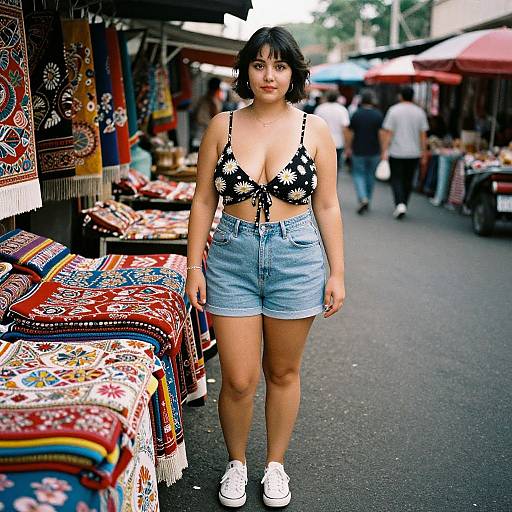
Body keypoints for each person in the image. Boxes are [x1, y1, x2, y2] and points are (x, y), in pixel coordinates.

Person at [185, 26, 345, 509]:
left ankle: (275, 465)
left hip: (296, 256)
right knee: (236, 379)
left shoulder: (314, 130)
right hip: (231, 255)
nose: (269, 75)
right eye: (259, 65)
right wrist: (195, 265)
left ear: (293, 71)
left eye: (279, 65)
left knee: (282, 371)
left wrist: (337, 271)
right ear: (246, 72)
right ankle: (237, 464)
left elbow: (329, 206)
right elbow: (203, 199)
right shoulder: (223, 125)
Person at [381, 85, 429, 219]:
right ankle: (404, 203)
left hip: (396, 151)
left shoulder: (394, 110)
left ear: (400, 96)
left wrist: (384, 150)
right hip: (414, 152)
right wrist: (424, 152)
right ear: (413, 97)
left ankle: (399, 203)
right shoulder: (420, 112)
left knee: (396, 178)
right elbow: (423, 135)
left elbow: (388, 133)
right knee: (408, 179)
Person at [345, 88, 383, 214]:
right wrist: (383, 150)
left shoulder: (357, 114)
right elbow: (381, 134)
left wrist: (348, 147)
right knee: (370, 176)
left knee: (358, 174)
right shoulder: (378, 115)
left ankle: (363, 197)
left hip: (358, 149)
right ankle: (368, 198)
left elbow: (350, 133)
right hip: (374, 150)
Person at [314, 90, 350, 173]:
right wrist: (347, 145)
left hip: (322, 142)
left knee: (322, 168)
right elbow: (345, 128)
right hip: (338, 142)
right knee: (336, 168)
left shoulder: (320, 108)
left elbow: (315, 126)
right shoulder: (342, 109)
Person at [192, 77, 222, 149]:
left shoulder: (202, 99)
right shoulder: (212, 101)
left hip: (200, 131)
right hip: (206, 132)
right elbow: (216, 117)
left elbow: (195, 115)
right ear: (217, 88)